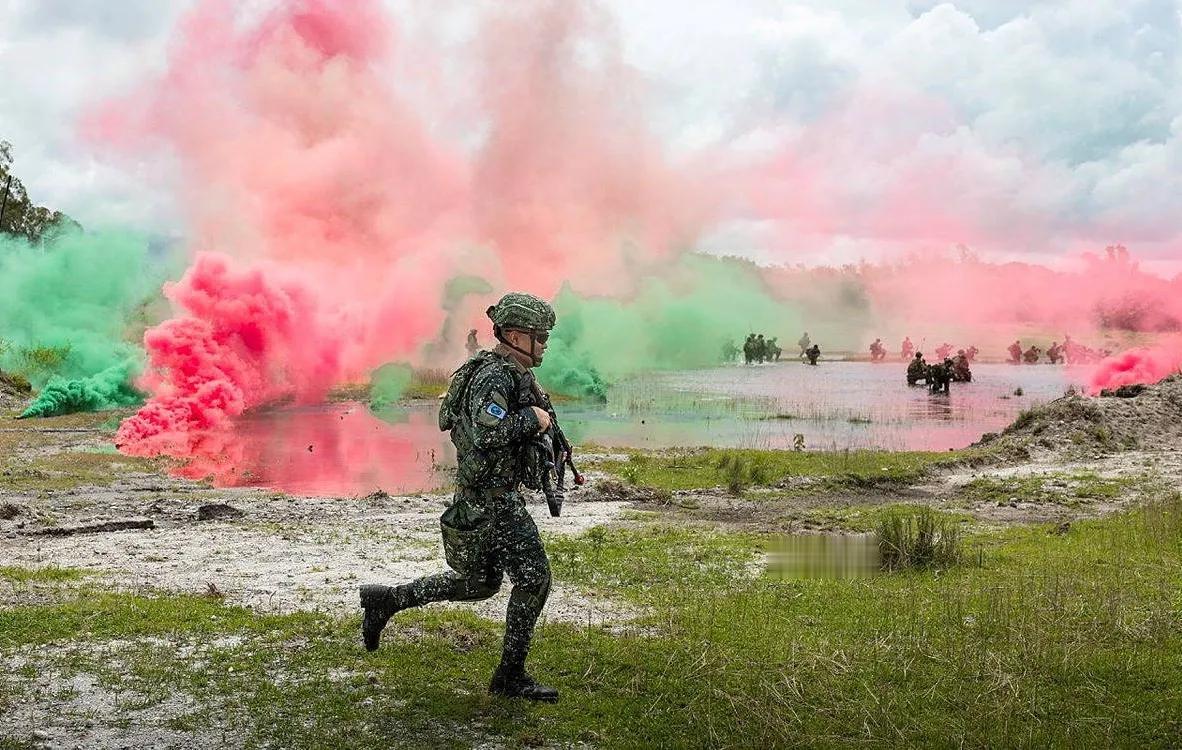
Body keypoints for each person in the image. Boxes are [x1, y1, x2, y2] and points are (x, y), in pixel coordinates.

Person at [359, 292, 560, 702]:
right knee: (535, 580)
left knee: (478, 583)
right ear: (515, 335)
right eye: (540, 337)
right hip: (493, 500)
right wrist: (531, 419)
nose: (545, 344)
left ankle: (386, 600)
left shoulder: (507, 372)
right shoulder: (495, 376)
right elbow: (487, 433)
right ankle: (510, 676)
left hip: (483, 497)